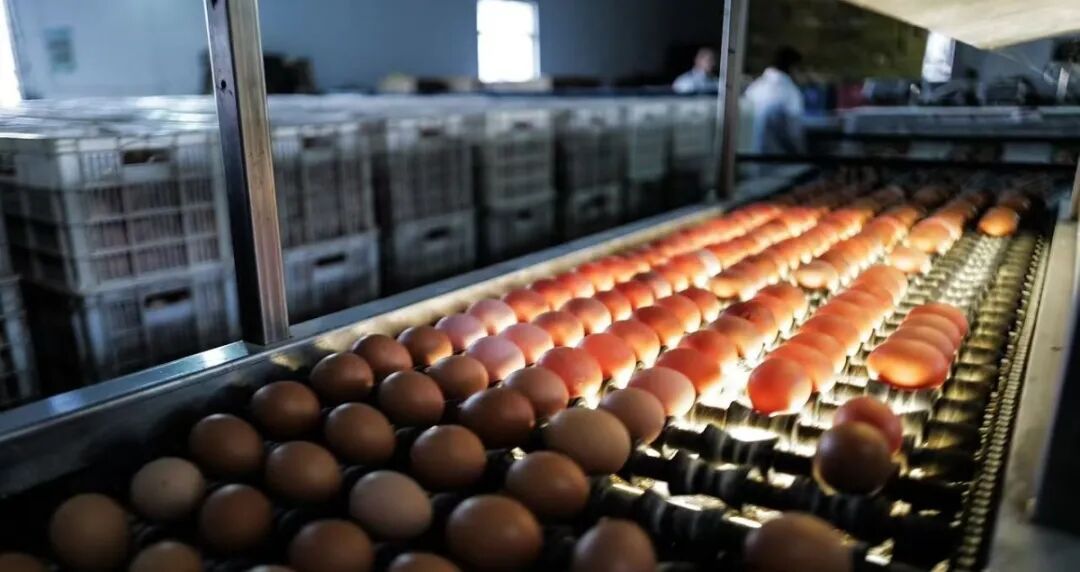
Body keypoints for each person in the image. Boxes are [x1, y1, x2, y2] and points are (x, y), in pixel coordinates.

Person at [743, 47, 806, 156]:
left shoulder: (754, 88)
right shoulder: (790, 92)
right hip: (776, 160)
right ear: (793, 68)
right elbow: (794, 135)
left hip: (748, 158)